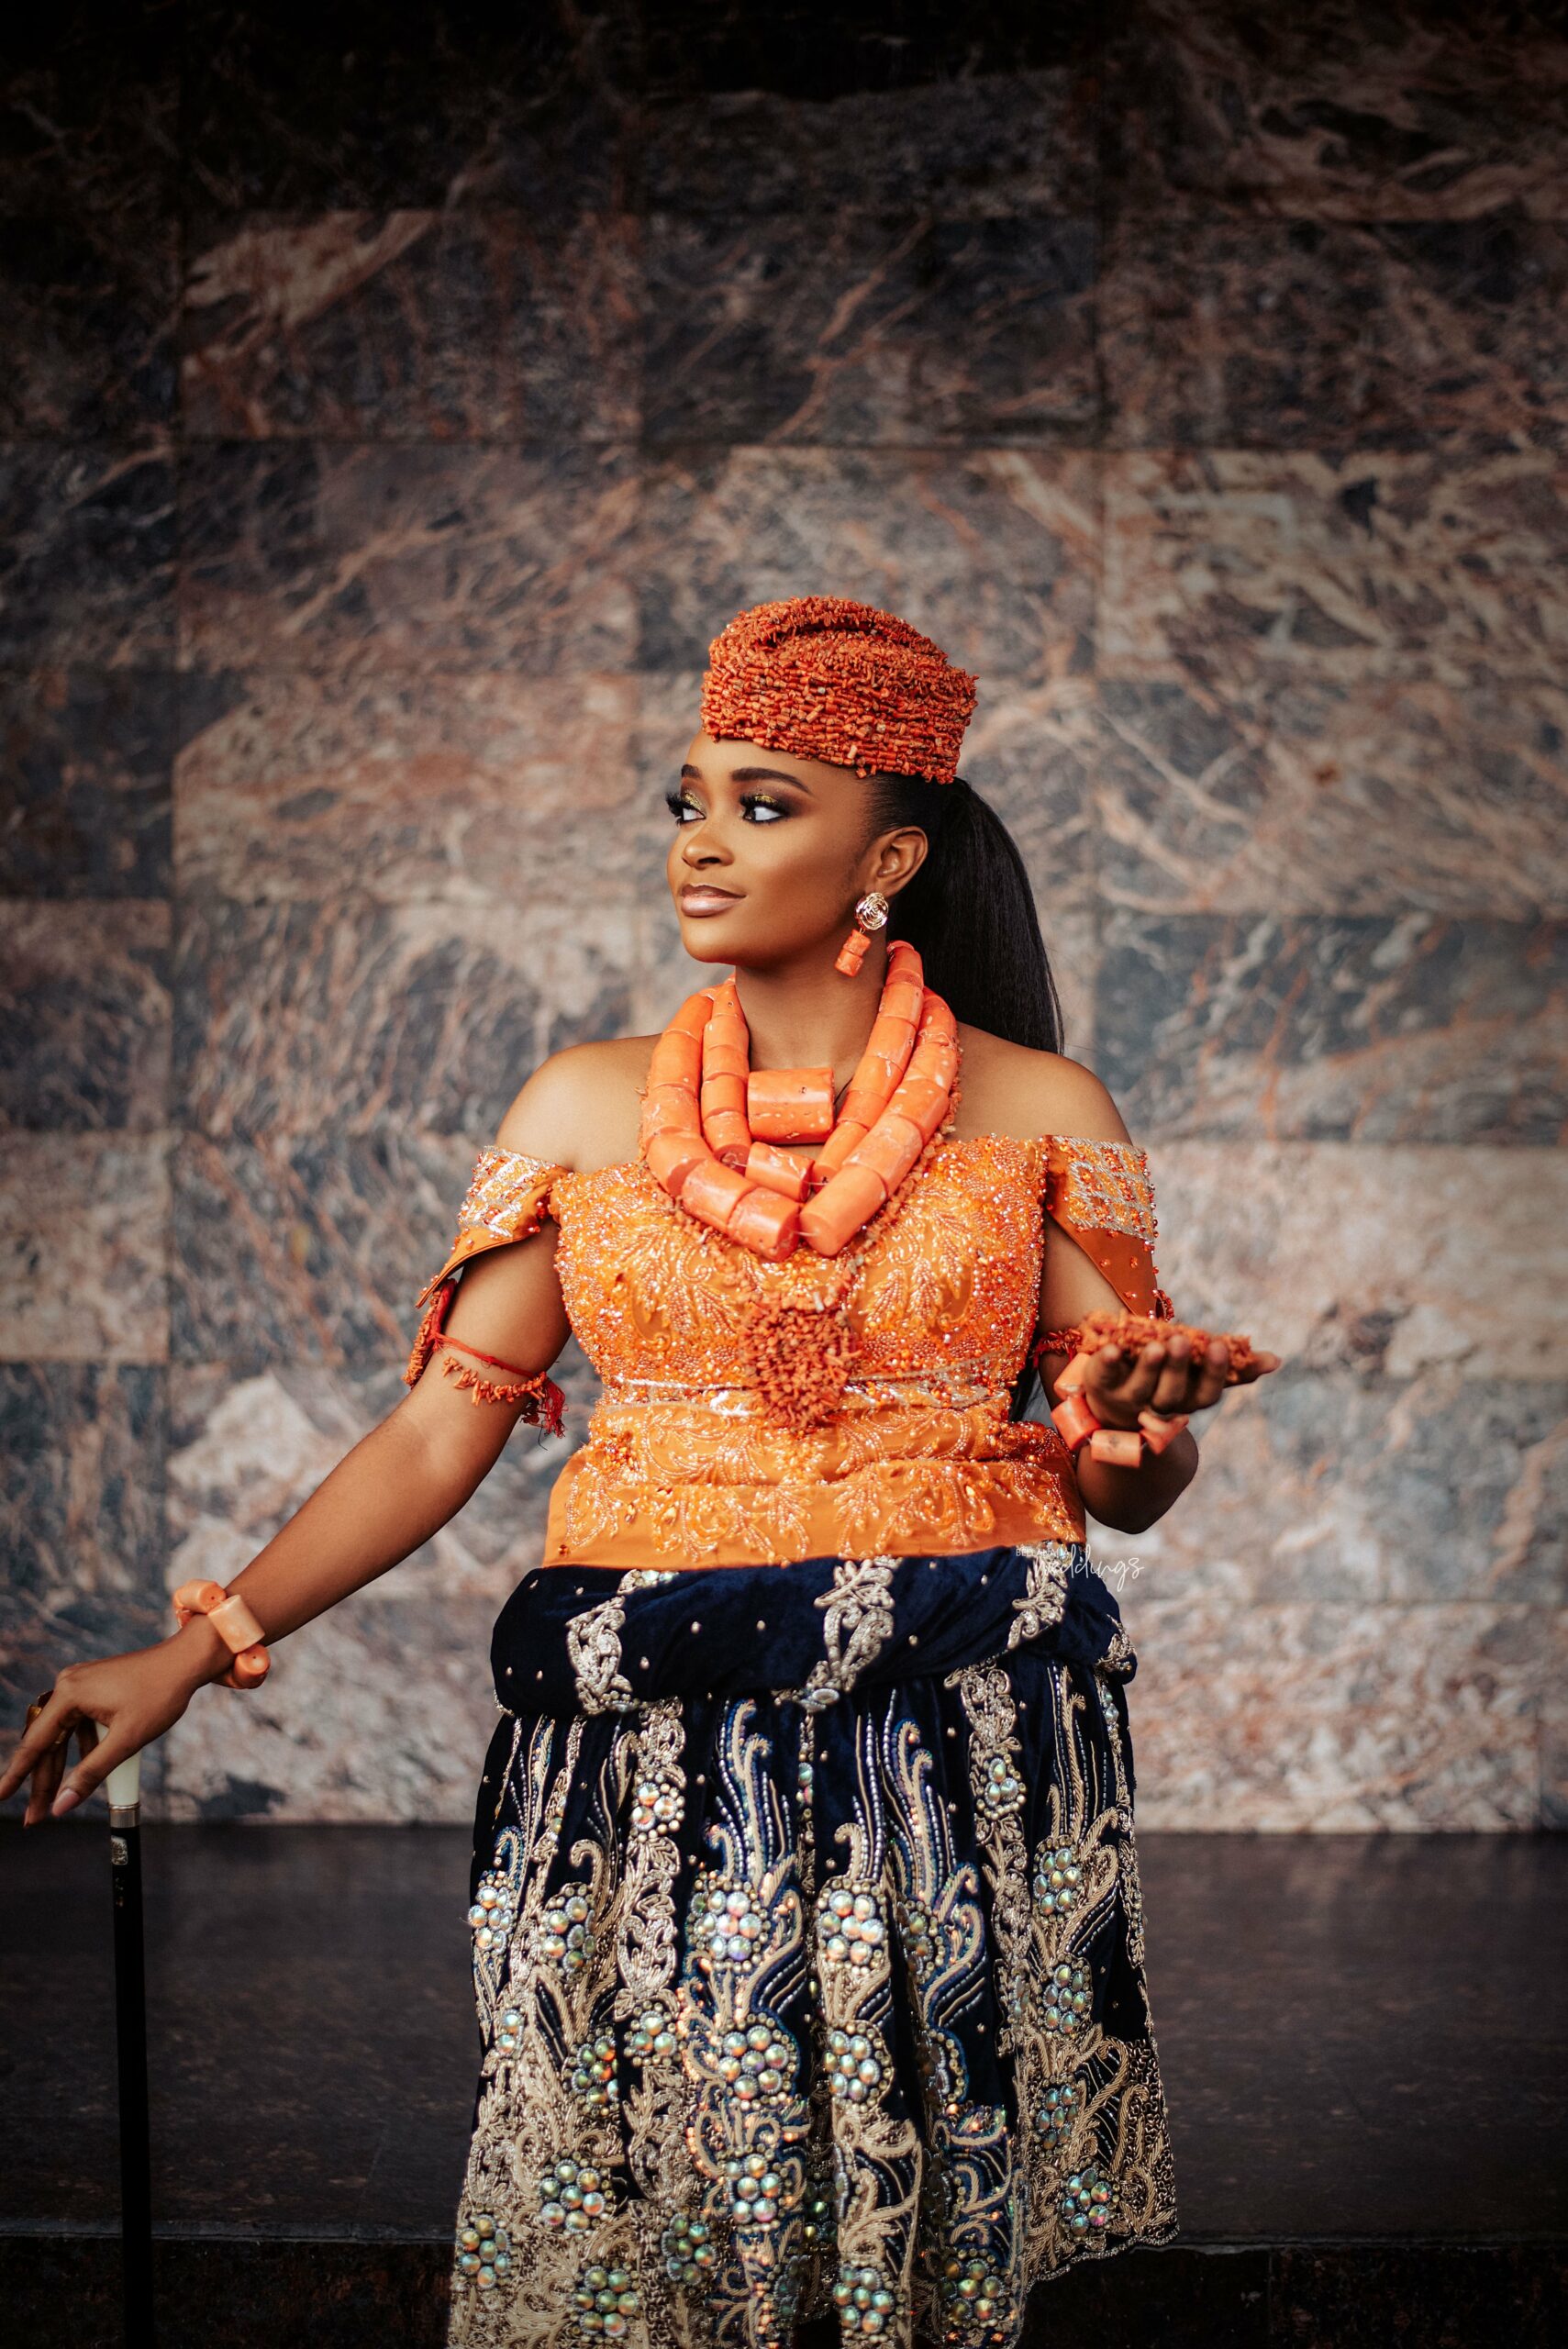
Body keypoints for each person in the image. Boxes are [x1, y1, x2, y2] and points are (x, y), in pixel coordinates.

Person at [3, 596, 1278, 2348]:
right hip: (647, 1735)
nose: (700, 841)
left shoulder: (1041, 1109)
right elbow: (443, 1427)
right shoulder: (585, 1107)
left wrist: (1134, 1435)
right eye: (688, 802)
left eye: (762, 804)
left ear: (887, 859)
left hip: (950, 1732)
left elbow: (1118, 1473)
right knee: (657, 2207)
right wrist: (200, 1645)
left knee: (905, 2220)